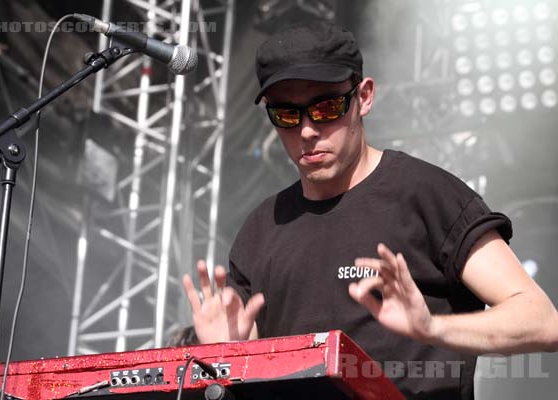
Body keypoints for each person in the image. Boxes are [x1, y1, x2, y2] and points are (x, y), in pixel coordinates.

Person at [182, 21, 558, 399]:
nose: (308, 130)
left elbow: (543, 321)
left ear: (364, 97)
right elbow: (254, 365)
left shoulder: (425, 194)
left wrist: (431, 328)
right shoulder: (262, 227)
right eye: (287, 115)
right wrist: (224, 357)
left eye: (326, 107)